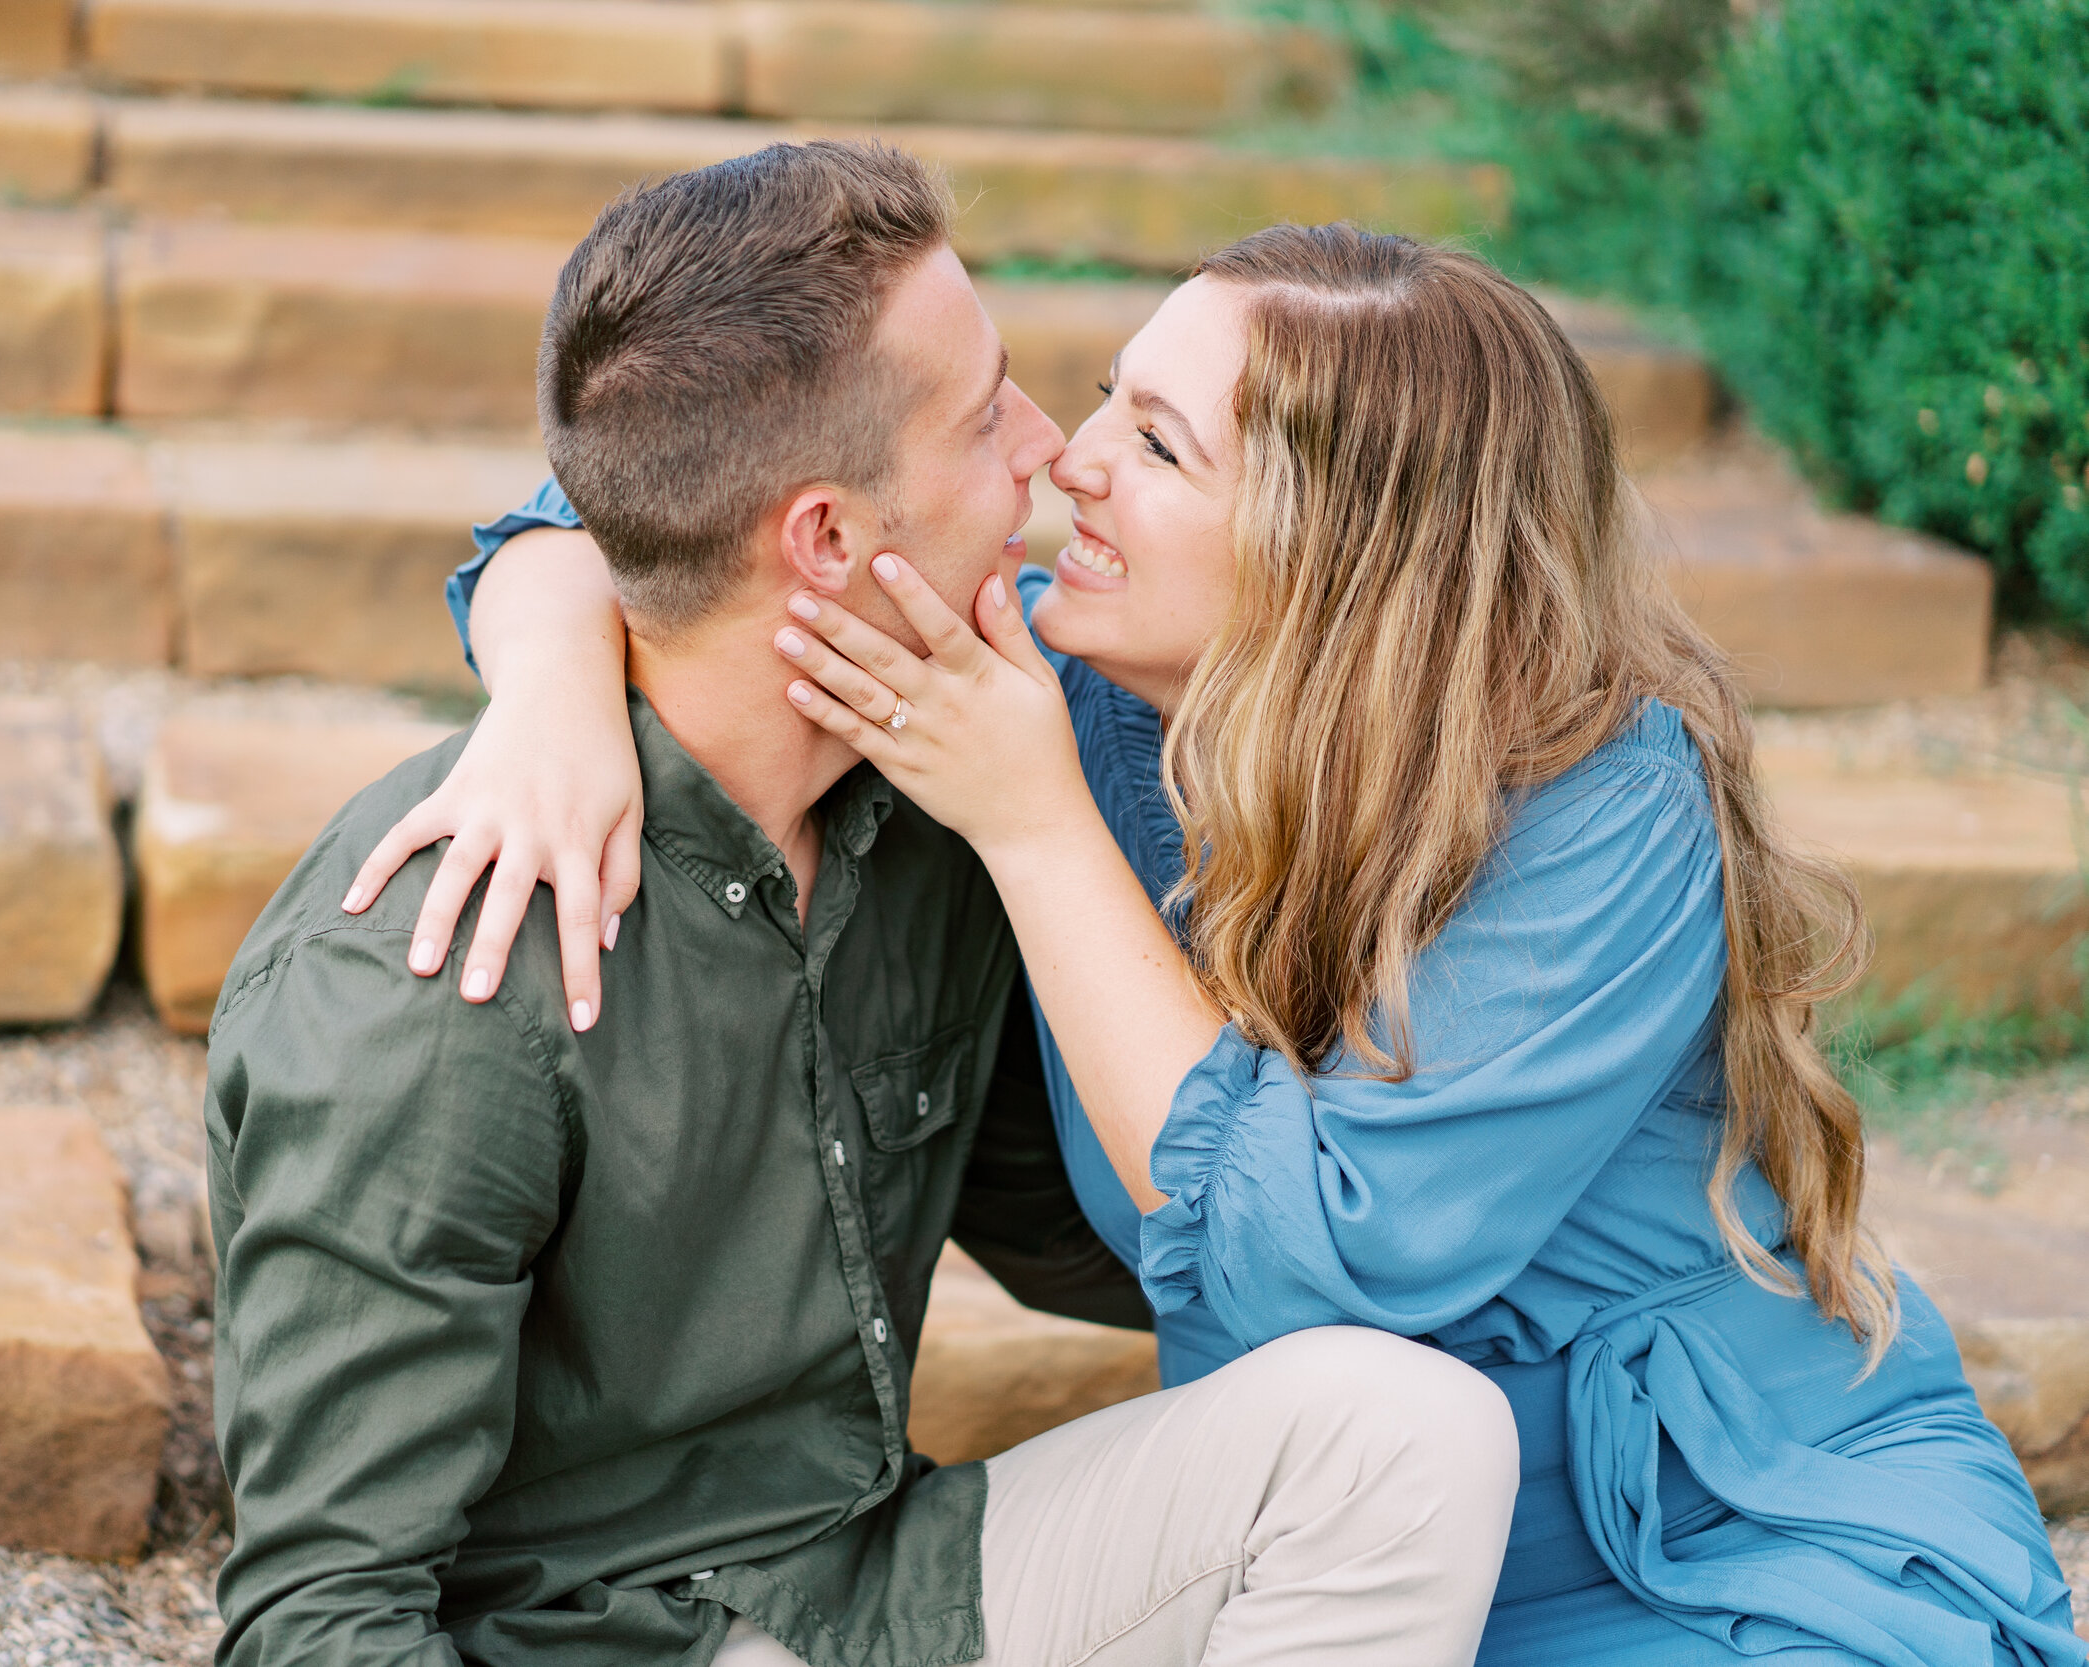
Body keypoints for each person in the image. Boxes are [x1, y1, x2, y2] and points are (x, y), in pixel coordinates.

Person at [350, 221, 2088, 1667]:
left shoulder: (1599, 798)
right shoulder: (1080, 683)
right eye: (1112, 393)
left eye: (1160, 444)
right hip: (1365, 1558)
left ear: (1342, 557)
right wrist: (555, 698)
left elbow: (1323, 1267)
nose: (1067, 461)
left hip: (1742, 1549)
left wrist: (1032, 830)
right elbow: (659, 512)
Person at [212, 144, 1520, 1667]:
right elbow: (315, 1619)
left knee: (1397, 1437)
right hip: (603, 1641)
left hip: (873, 1579)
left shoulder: (936, 806)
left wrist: (1431, 1202)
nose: (1053, 451)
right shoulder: (434, 978)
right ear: (828, 539)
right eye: (987, 417)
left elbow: (1084, 1226)